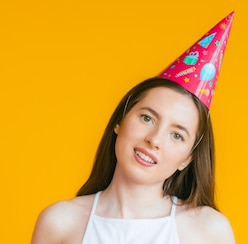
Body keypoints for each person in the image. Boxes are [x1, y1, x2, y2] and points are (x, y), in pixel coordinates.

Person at [32, 12, 236, 244]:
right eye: (148, 118)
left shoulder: (208, 230)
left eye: (177, 135)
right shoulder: (60, 222)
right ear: (120, 121)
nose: (155, 140)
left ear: (187, 158)